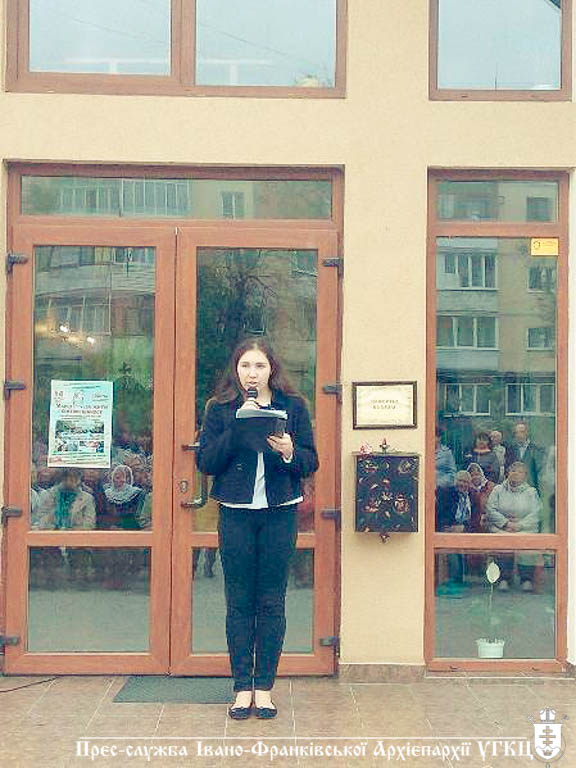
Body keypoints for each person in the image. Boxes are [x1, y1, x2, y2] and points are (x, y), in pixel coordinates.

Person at [196, 337, 318, 720]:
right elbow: (206, 462)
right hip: (236, 514)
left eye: (260, 366)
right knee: (239, 602)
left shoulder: (293, 406)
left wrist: (289, 451)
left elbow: (310, 462)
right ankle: (241, 688)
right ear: (236, 369)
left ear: (272, 369)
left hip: (279, 513)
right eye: (245, 365)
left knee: (271, 601)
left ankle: (263, 688)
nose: (252, 373)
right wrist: (238, 426)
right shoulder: (220, 408)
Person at [486, 461, 542, 591]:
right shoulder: (498, 490)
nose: (516, 474)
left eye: (520, 472)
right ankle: (504, 578)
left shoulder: (531, 492)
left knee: (527, 541)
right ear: (507, 473)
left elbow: (536, 513)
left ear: (525, 476)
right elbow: (490, 509)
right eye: (513, 471)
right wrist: (506, 523)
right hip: (502, 527)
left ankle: (526, 579)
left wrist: (520, 525)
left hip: (524, 528)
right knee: (503, 541)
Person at [504, 423, 544, 492]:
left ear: (527, 433)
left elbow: (539, 471)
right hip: (513, 489)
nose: (519, 435)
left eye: (521, 432)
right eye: (516, 433)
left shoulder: (536, 449)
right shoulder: (510, 449)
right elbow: (507, 469)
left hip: (531, 488)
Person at [467, 462, 495, 532]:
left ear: (481, 475)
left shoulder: (490, 486)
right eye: (472, 475)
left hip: (487, 517)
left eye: (477, 474)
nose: (475, 477)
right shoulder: (466, 488)